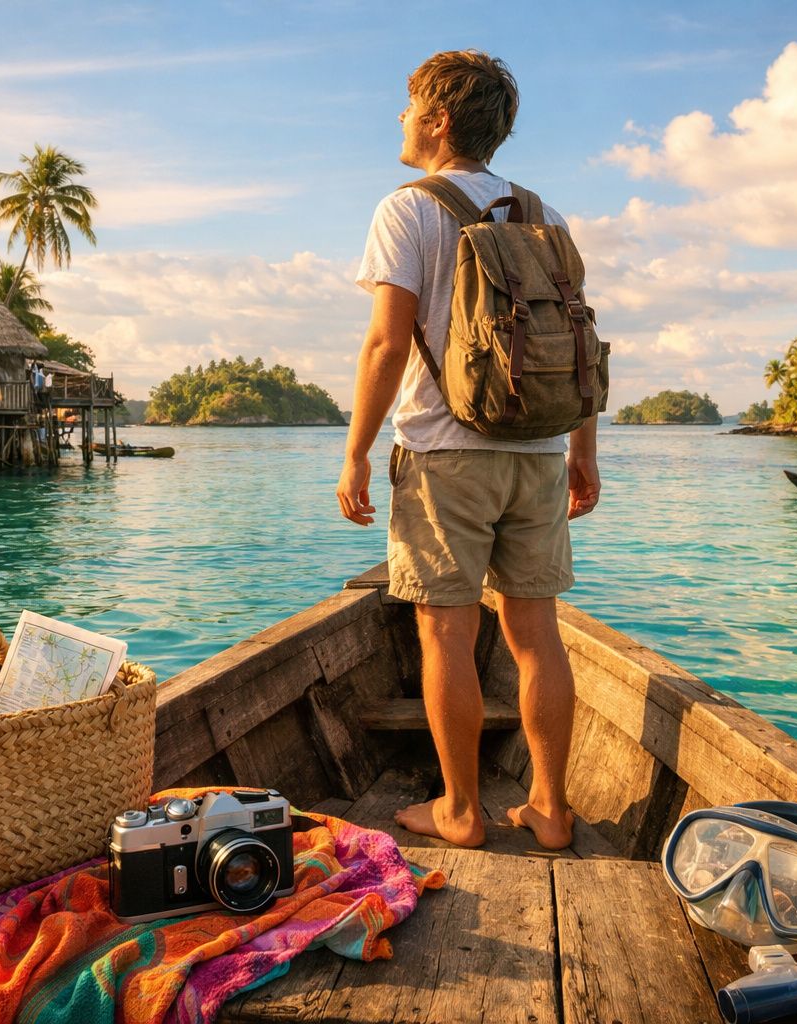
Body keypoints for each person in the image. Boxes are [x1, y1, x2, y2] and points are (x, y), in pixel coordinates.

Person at [335, 50, 599, 851]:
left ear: (441, 119)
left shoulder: (407, 209)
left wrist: (355, 453)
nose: (401, 119)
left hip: (445, 453)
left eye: (410, 105)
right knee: (536, 632)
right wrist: (582, 449)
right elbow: (576, 340)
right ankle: (549, 809)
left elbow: (386, 343)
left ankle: (460, 810)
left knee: (446, 635)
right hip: (539, 450)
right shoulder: (539, 209)